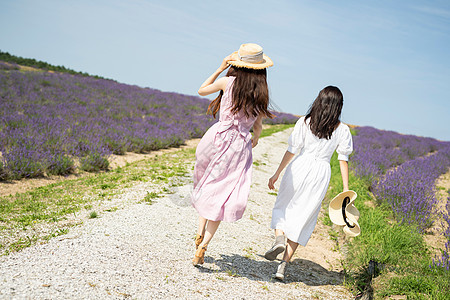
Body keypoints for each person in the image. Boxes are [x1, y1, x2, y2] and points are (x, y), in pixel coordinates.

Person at [191, 43, 274, 265]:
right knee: (222, 194)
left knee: (208, 183)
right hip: (239, 145)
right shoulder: (260, 93)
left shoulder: (228, 82)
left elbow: (202, 89)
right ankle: (204, 245)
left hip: (217, 138)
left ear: (238, 64)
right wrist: (255, 138)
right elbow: (257, 126)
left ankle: (199, 233)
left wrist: (219, 68)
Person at [265, 86, 353, 280]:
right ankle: (282, 266)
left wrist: (276, 173)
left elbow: (292, 149)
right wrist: (346, 189)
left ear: (319, 101)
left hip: (299, 167)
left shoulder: (305, 122)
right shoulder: (343, 130)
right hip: (320, 173)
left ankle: (279, 237)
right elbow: (343, 159)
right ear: (339, 106)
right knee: (302, 217)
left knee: (282, 207)